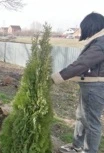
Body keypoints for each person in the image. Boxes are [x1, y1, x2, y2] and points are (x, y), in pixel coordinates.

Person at [51, 12, 104, 153]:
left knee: (92, 122)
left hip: (96, 87)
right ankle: (76, 146)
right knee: (81, 116)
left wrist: (58, 77)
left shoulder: (102, 42)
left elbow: (83, 63)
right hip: (89, 86)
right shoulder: (98, 41)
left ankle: (89, 151)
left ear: (92, 26)